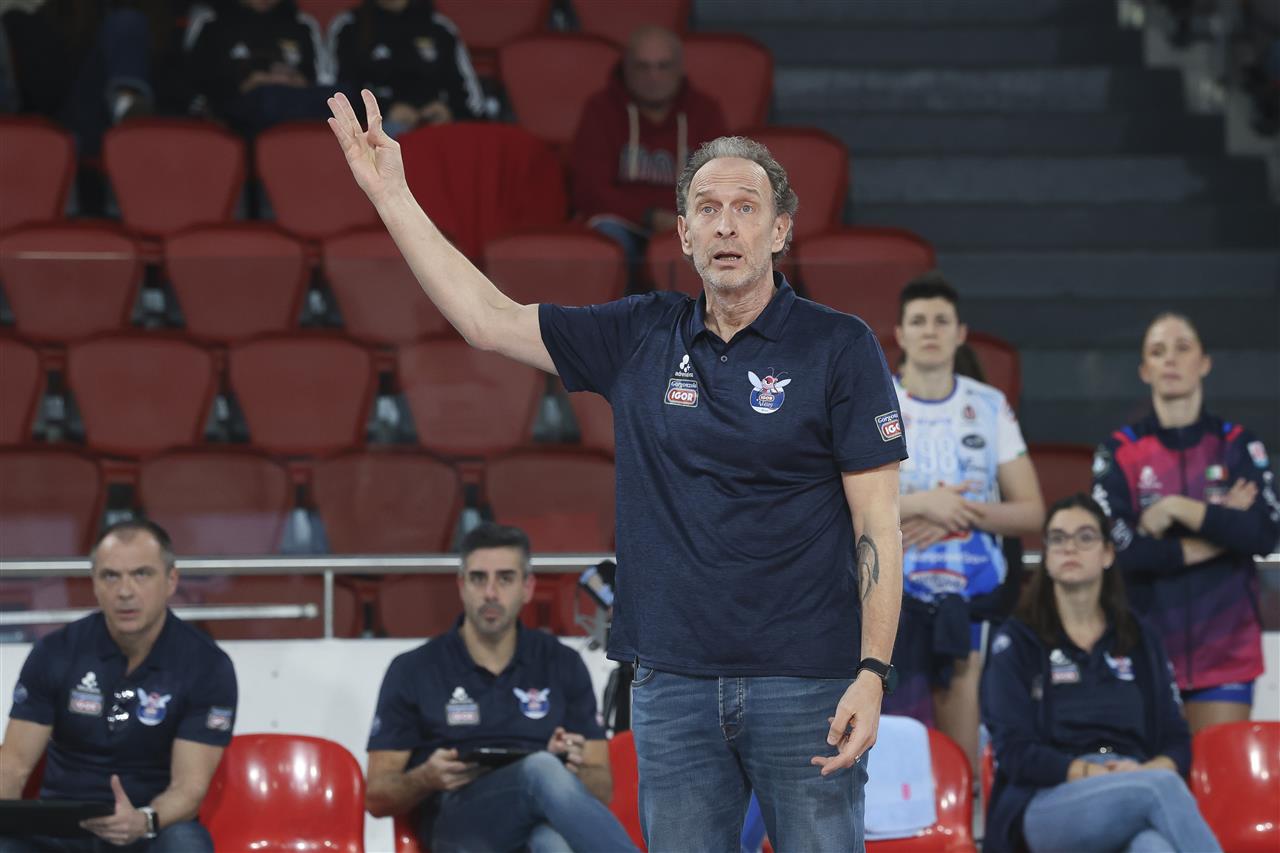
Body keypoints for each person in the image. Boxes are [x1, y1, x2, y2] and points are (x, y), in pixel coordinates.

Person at [328, 88, 906, 851]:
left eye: (746, 207)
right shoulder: (639, 334)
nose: (726, 224)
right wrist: (393, 197)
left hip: (807, 682)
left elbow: (877, 523)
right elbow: (486, 320)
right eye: (707, 208)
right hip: (671, 684)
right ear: (684, 233)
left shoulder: (840, 345)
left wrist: (872, 670)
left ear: (780, 230)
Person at [364, 523, 637, 852]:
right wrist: (425, 777)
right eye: (479, 578)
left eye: (505, 578)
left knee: (551, 842)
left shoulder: (562, 662)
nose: (491, 593)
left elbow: (602, 789)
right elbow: (376, 796)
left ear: (527, 587)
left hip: (538, 819)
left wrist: (568, 767)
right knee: (540, 769)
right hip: (456, 823)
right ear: (462, 585)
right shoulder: (414, 669)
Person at [981, 494, 1222, 853]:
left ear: (1108, 553)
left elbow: (1175, 738)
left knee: (1152, 847)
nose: (1069, 547)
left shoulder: (1139, 638)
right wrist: (1091, 772)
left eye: (1085, 537)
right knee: (1161, 788)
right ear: (1046, 555)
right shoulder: (1017, 641)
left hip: (1133, 782)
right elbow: (1014, 750)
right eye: (1058, 538)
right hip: (1048, 799)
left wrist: (1147, 769)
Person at [885, 273, 1045, 772]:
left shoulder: (989, 406)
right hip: (892, 600)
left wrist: (956, 512)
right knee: (899, 758)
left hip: (971, 599)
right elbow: (837, 505)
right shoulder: (875, 400)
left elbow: (1032, 512)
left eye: (941, 321)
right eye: (919, 321)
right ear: (900, 334)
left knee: (962, 764)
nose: (930, 330)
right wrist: (922, 504)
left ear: (960, 333)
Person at [1091, 312, 1279, 733]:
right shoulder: (1119, 451)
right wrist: (1220, 527)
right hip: (1144, 650)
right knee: (1157, 776)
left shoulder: (1237, 445)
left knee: (1218, 773)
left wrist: (1177, 509)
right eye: (1158, 352)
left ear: (1204, 362)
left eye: (1182, 348)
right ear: (1145, 370)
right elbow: (1119, 553)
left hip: (1227, 651)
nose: (1171, 360)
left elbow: (1263, 534)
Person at [0, 520, 237, 852]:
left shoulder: (208, 665)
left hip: (150, 827)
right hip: (61, 830)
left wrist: (143, 821)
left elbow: (188, 788)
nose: (125, 591)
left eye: (141, 574)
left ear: (171, 581)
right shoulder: (55, 652)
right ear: (94, 584)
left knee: (186, 845)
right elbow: (12, 766)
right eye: (110, 576)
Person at [568, 25, 728, 280]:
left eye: (663, 66)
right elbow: (590, 190)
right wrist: (649, 216)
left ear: (679, 69)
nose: (653, 76)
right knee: (606, 240)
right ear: (626, 68)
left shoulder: (705, 112)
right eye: (643, 67)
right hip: (622, 224)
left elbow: (722, 184)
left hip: (686, 225)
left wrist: (685, 219)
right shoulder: (600, 110)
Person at [331, 0, 485, 137]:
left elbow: (471, 99)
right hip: (378, 128)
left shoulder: (439, 27)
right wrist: (383, 111)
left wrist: (449, 111)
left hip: (437, 130)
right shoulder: (349, 26)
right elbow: (335, 93)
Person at [185, 0, 333, 136]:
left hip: (295, 112)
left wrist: (291, 80)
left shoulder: (302, 23)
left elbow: (320, 82)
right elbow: (193, 84)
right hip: (231, 118)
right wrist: (250, 83)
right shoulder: (212, 22)